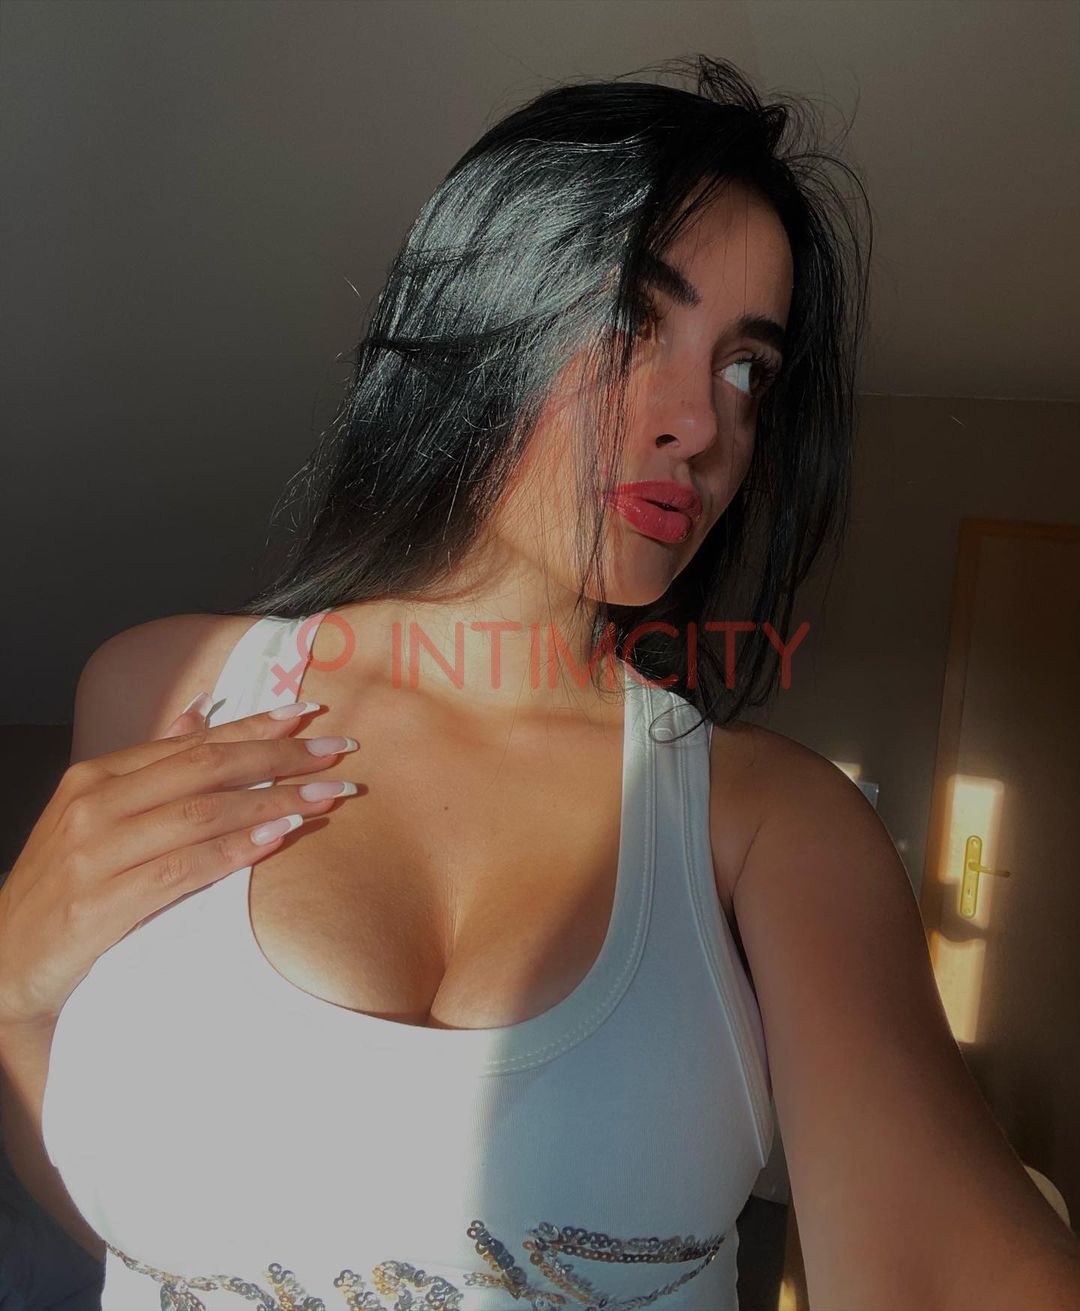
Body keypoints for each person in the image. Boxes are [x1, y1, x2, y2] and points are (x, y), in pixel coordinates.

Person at [1, 54, 1078, 1311]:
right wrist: (9, 988)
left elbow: (940, 1265)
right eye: (632, 323)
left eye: (746, 370)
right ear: (485, 312)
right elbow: (120, 1211)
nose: (701, 424)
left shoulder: (769, 824)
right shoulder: (166, 687)